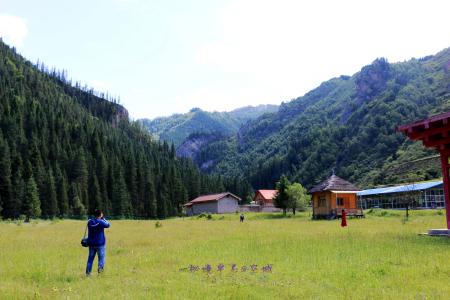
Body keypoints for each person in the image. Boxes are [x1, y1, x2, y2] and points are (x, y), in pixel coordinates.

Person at [86, 209, 110, 276]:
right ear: (100, 214)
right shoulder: (101, 222)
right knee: (101, 259)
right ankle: (100, 273)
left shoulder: (90, 222)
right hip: (100, 244)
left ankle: (88, 274)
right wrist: (104, 219)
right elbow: (108, 225)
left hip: (91, 243)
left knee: (90, 259)